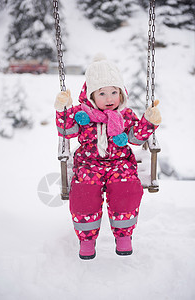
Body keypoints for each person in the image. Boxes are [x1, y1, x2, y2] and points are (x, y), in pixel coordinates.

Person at [54, 55, 161, 260]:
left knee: (127, 190)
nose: (110, 98)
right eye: (102, 93)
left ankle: (123, 236)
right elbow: (65, 130)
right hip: (88, 163)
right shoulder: (80, 114)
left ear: (121, 93)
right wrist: (62, 110)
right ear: (92, 95)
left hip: (120, 164)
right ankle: (86, 239)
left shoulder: (125, 115)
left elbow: (136, 139)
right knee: (84, 194)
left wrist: (148, 121)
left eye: (114, 92)